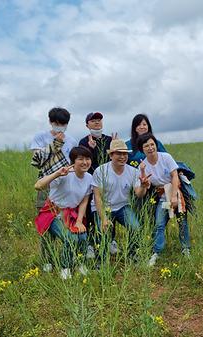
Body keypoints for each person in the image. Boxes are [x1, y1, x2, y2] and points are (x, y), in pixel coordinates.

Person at [34, 146, 93, 280]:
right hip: (53, 213)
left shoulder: (89, 178)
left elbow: (84, 201)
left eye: (88, 158)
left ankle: (79, 263)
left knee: (82, 236)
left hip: (71, 214)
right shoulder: (64, 174)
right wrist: (56, 174)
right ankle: (65, 267)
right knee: (69, 239)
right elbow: (38, 186)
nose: (85, 162)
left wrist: (79, 221)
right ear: (73, 161)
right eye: (80, 159)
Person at [136, 133, 191, 267]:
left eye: (152, 144)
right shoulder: (143, 165)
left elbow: (174, 176)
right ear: (142, 149)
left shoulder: (166, 157)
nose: (150, 148)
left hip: (174, 191)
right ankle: (157, 251)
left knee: (182, 220)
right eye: (146, 146)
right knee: (159, 223)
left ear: (156, 145)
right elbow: (145, 185)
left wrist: (173, 196)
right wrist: (142, 173)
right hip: (161, 196)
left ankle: (186, 248)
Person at [91, 139, 150, 260]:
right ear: (111, 155)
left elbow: (139, 194)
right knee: (102, 230)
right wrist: (103, 219)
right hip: (104, 206)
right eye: (119, 154)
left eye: (125, 154)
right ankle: (100, 259)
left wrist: (144, 186)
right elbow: (97, 197)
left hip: (122, 206)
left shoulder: (133, 171)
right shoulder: (101, 171)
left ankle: (132, 254)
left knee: (135, 228)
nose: (123, 157)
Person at [78, 112, 113, 259]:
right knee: (92, 213)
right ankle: (92, 244)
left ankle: (111, 240)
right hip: (91, 183)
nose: (97, 123)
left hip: (109, 182)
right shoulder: (84, 141)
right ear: (87, 125)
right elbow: (83, 162)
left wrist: (114, 147)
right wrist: (91, 149)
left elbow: (117, 158)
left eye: (99, 120)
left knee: (110, 209)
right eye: (93, 121)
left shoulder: (110, 139)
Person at [30, 107, 78, 210]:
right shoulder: (41, 136)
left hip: (65, 180)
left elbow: (73, 162)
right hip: (47, 179)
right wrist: (56, 143)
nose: (60, 127)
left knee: (65, 210)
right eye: (57, 124)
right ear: (50, 122)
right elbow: (37, 159)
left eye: (63, 124)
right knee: (44, 210)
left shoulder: (72, 141)